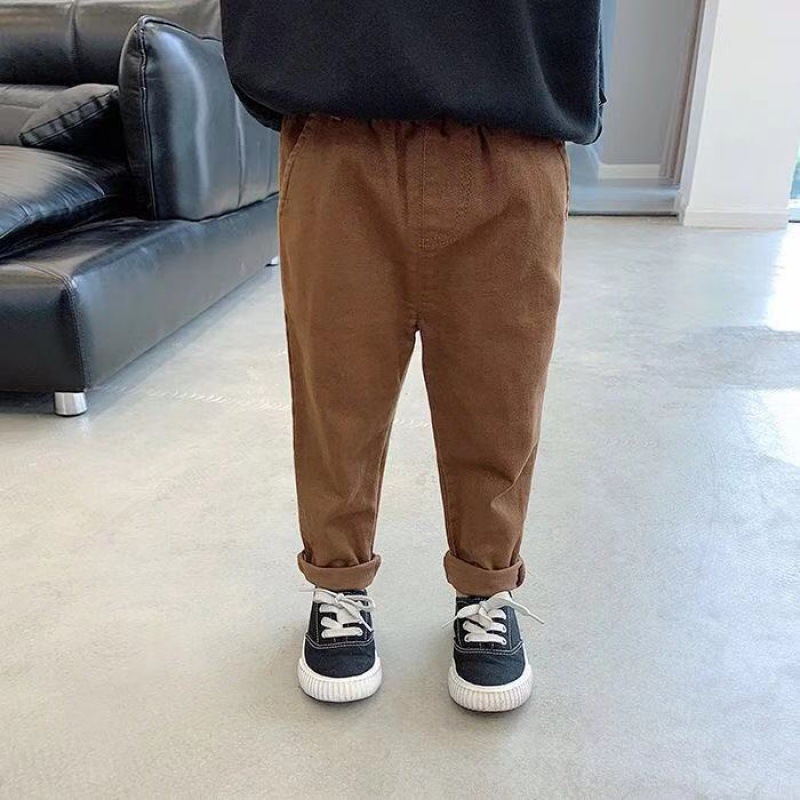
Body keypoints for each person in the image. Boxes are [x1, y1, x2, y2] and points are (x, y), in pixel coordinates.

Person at [221, 1, 605, 712]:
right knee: (336, 390)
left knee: (501, 394)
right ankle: (337, 584)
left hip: (511, 120)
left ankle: (486, 589)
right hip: (340, 120)